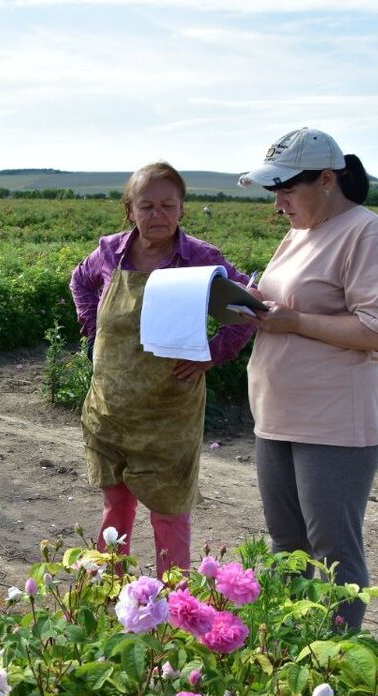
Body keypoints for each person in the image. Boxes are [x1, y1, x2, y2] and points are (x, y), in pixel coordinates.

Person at [237, 127, 378, 630]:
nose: (279, 204)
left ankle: (334, 664)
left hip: (333, 421)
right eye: (275, 193)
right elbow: (291, 298)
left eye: (287, 190)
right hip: (278, 414)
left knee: (333, 553)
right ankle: (288, 650)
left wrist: (292, 321)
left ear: (328, 179)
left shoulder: (368, 233)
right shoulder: (300, 232)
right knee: (288, 547)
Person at [70, 162, 254, 577]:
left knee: (169, 514)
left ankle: (173, 611)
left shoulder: (200, 259)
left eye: (168, 205)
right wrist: (92, 325)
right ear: (130, 210)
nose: (158, 215)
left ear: (183, 209)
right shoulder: (108, 252)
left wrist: (213, 352)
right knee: (115, 505)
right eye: (147, 205)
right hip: (110, 407)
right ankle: (109, 594)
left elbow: (247, 307)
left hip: (169, 414)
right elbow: (79, 281)